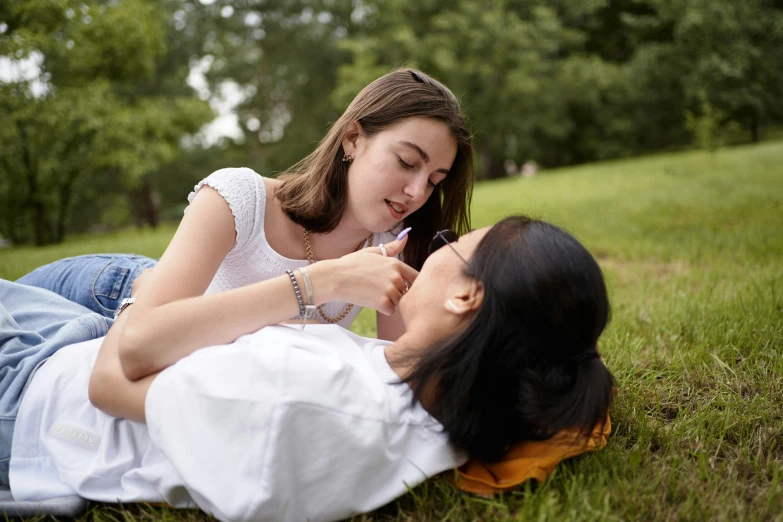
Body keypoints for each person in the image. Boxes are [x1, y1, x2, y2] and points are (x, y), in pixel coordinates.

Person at [2, 216, 614, 522]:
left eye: (449, 245)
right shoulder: (408, 386)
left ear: (466, 298)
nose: (431, 251)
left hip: (31, 391)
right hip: (61, 356)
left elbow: (111, 378)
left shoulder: (302, 402)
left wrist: (312, 283)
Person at [17, 68, 474, 376]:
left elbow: (399, 365)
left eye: (434, 179)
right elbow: (137, 344)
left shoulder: (394, 243)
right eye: (406, 162)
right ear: (353, 138)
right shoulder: (240, 198)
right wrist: (318, 281)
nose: (417, 192)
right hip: (114, 292)